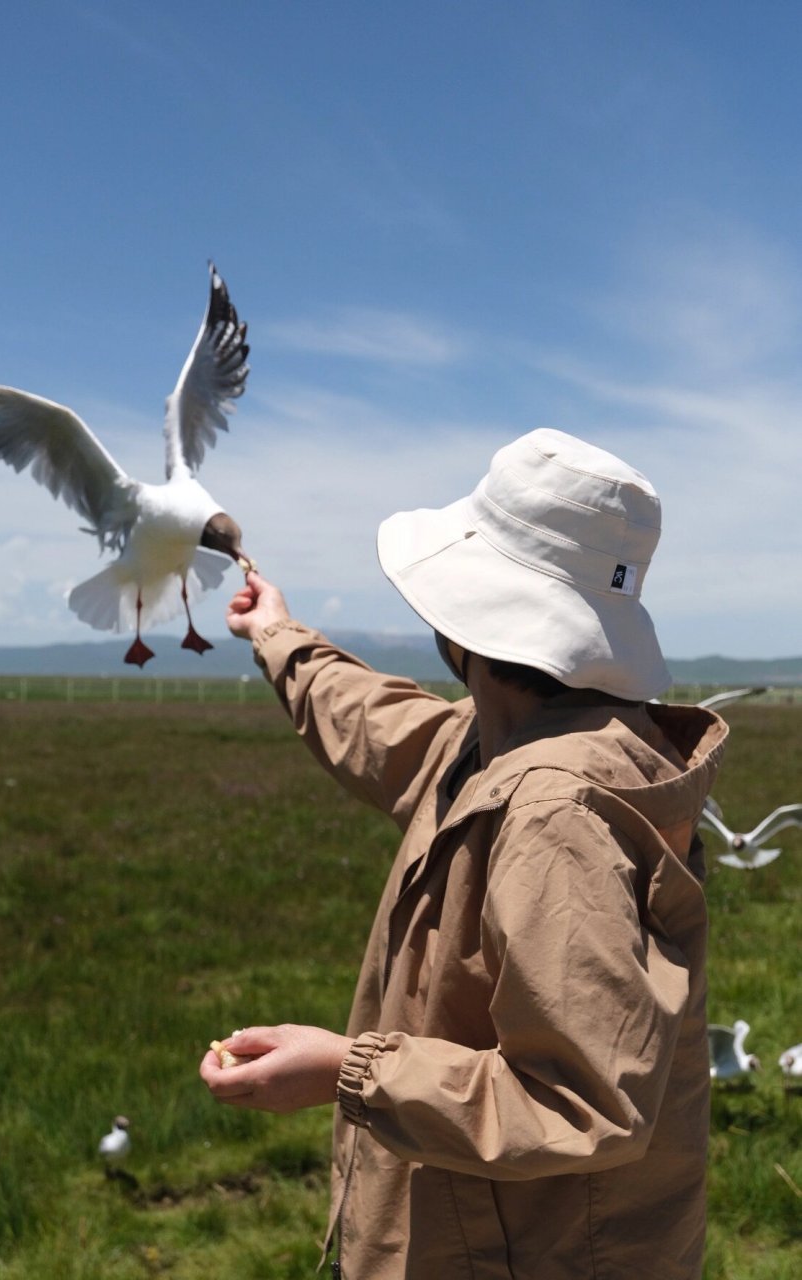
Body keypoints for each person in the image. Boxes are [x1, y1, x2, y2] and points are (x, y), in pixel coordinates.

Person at [200, 428, 728, 1280]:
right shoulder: (500, 742)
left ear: (464, 618)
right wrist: (279, 635)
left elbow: (585, 1101)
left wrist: (347, 1069)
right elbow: (374, 721)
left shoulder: (557, 813)